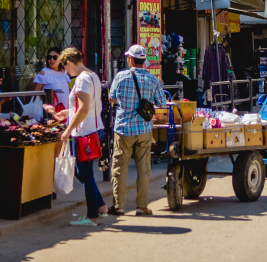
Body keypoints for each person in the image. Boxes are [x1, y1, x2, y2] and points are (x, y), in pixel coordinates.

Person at [108, 44, 167, 216]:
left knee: (119, 168)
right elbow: (162, 104)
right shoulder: (153, 79)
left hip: (123, 129)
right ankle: (142, 206)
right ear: (144, 61)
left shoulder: (121, 77)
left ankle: (118, 206)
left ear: (130, 59)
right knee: (144, 169)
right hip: (144, 129)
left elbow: (112, 98)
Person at [59, 47, 108, 226]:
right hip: (93, 128)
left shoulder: (81, 80)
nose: (66, 72)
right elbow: (86, 107)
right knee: (83, 172)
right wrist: (67, 113)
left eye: (65, 68)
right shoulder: (93, 76)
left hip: (84, 132)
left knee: (85, 174)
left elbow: (84, 108)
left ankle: (92, 216)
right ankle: (100, 206)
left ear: (69, 62)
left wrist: (67, 129)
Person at [33, 47, 71, 112]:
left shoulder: (64, 73)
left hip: (65, 109)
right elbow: (35, 94)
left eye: (55, 57)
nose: (52, 60)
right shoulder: (44, 72)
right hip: (49, 111)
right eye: (49, 57)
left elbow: (68, 91)